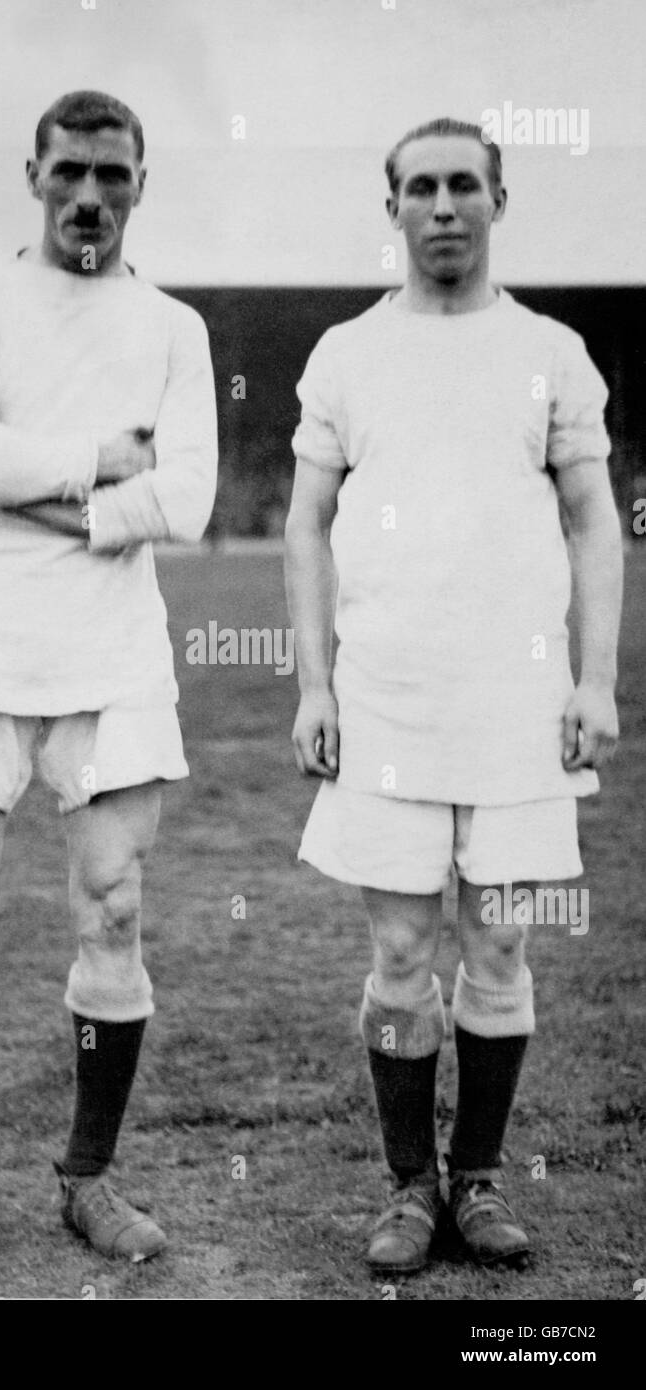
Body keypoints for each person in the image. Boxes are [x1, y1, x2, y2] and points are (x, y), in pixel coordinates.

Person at [284, 117, 621, 1275]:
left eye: (462, 185)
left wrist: (593, 677)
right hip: (383, 699)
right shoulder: (343, 354)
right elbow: (304, 523)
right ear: (390, 207)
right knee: (396, 949)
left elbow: (591, 520)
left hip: (515, 703)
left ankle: (476, 1178)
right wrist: (314, 682)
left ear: (495, 199)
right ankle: (406, 1189)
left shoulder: (551, 350)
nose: (441, 205)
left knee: (499, 937)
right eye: (419, 187)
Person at [0, 90, 217, 1278]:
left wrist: (18, 492)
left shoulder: (173, 329)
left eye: (113, 175)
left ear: (142, 183)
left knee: (113, 907)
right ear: (32, 169)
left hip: (111, 649)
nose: (89, 195)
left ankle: (87, 1175)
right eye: (69, 170)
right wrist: (92, 465)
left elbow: (181, 496)